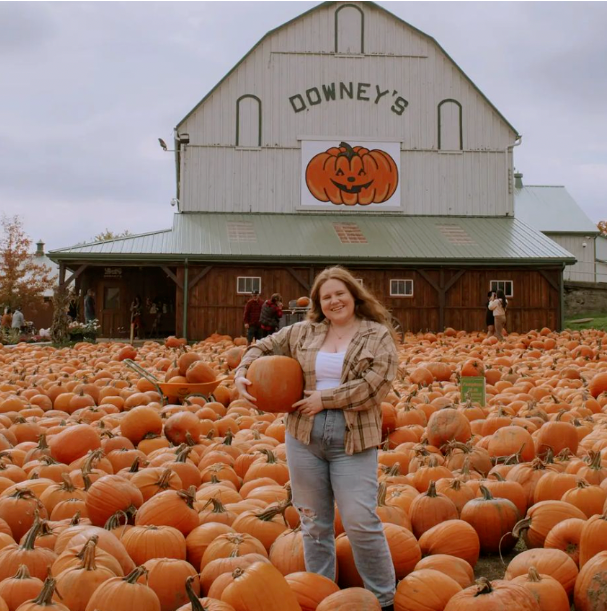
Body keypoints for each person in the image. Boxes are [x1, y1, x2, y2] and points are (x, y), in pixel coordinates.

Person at [235, 266, 399, 611]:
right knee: (313, 523)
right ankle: (323, 597)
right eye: (326, 297)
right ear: (318, 303)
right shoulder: (303, 333)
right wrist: (242, 374)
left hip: (352, 436)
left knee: (360, 520)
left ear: (354, 295)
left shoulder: (375, 334)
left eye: (340, 293)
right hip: (304, 437)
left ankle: (384, 601)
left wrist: (324, 399)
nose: (334, 301)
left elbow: (376, 384)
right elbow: (260, 347)